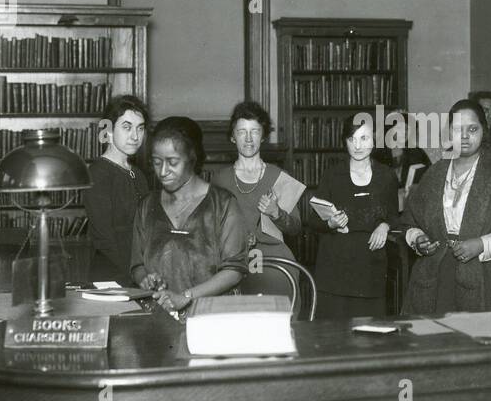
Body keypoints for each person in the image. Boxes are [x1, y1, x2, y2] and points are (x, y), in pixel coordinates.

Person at [401, 98, 491, 313]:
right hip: (435, 276)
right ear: (449, 132)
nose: (465, 136)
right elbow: (409, 223)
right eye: (458, 129)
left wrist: (482, 244)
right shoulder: (435, 173)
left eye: (472, 129)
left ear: (484, 131)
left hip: (484, 276)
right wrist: (418, 239)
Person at [131, 116, 247, 316]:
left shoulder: (223, 204)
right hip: (159, 316)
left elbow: (234, 272)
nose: (163, 171)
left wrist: (184, 297)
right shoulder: (146, 206)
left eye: (172, 162)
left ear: (192, 159)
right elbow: (137, 265)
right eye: (157, 162)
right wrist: (145, 278)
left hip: (212, 318)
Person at [210, 101, 306, 294]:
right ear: (232, 137)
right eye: (241, 132)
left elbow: (296, 228)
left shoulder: (277, 175)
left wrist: (276, 212)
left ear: (263, 136)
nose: (248, 138)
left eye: (254, 131)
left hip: (276, 266)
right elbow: (209, 231)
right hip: (234, 264)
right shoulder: (220, 179)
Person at [312, 112, 399, 319]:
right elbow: (314, 221)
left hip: (371, 269)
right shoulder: (332, 175)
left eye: (364, 138)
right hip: (335, 269)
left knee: (370, 337)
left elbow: (395, 215)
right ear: (345, 142)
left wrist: (384, 226)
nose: (358, 146)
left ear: (375, 140)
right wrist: (331, 222)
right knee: (333, 337)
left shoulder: (386, 176)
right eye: (352, 139)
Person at [83, 94, 151, 282]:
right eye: (127, 127)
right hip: (111, 278)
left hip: (141, 274)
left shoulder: (139, 174)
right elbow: (105, 239)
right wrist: (138, 275)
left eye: (140, 128)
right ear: (109, 130)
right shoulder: (97, 174)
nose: (135, 136)